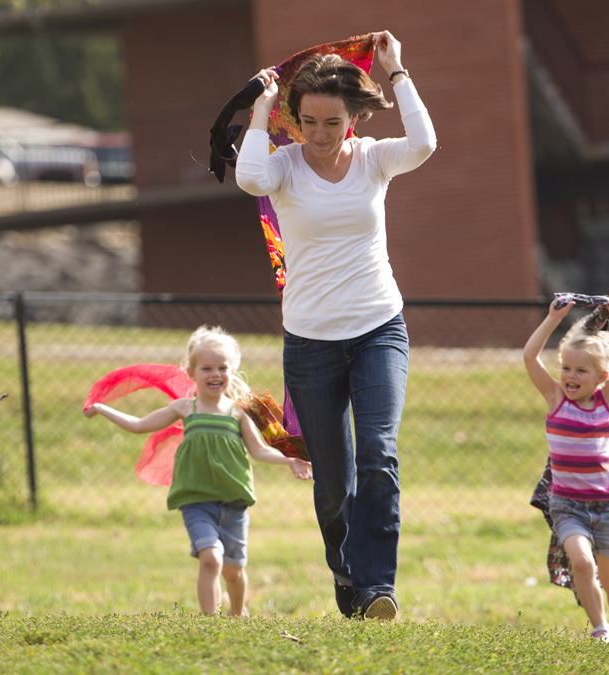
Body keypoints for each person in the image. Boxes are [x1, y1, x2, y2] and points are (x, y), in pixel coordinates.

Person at [234, 30, 436, 620]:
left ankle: (377, 587)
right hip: (311, 345)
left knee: (379, 454)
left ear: (353, 116)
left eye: (333, 122)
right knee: (333, 484)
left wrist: (397, 71)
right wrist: (262, 112)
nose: (321, 135)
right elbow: (249, 179)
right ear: (294, 121)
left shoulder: (375, 159)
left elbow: (424, 142)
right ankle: (348, 577)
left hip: (379, 330)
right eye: (309, 122)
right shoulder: (283, 166)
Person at [83, 326, 313, 617]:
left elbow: (258, 450)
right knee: (210, 561)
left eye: (222, 368)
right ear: (191, 372)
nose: (215, 374)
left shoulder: (239, 412)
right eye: (206, 368)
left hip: (234, 503)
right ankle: (210, 621)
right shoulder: (184, 409)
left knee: (234, 571)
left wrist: (290, 460)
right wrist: (102, 408)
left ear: (232, 371)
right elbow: (139, 425)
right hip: (196, 502)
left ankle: (236, 614)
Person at [522, 291, 609, 646]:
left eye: (580, 370)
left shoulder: (605, 401)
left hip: (606, 509)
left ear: (602, 376)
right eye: (566, 368)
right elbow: (529, 356)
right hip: (567, 506)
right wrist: (552, 319)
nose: (570, 376)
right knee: (582, 563)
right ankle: (600, 628)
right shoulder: (555, 399)